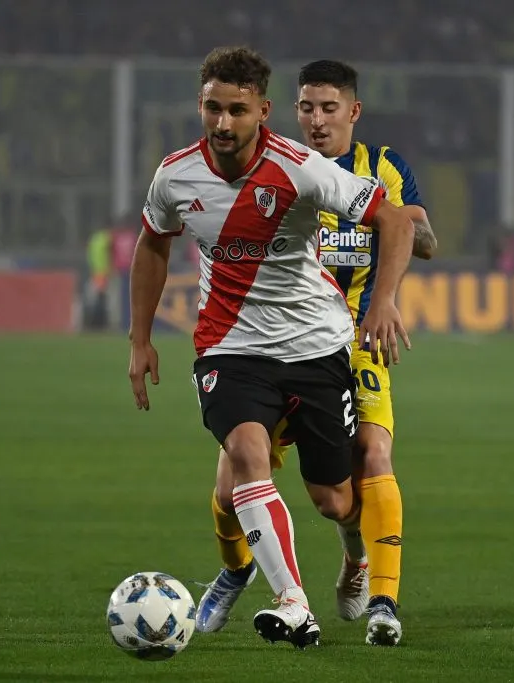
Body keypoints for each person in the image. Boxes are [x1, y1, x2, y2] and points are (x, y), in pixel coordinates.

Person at [128, 46, 415, 649]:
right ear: (200, 107)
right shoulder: (176, 174)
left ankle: (356, 562)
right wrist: (141, 339)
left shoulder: (302, 167)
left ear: (262, 110)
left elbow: (394, 221)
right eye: (212, 108)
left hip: (316, 347)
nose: (223, 123)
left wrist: (384, 300)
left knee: (335, 501)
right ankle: (291, 602)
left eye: (236, 110)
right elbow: (153, 245)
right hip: (229, 349)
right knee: (243, 457)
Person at [195, 60, 436, 647]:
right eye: (307, 107)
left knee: (369, 460)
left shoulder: (382, 169)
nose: (317, 119)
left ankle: (379, 594)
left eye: (330, 108)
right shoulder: (276, 165)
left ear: (353, 112)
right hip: (268, 347)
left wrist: (397, 252)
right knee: (230, 488)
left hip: (354, 340)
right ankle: (235, 570)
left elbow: (419, 236)